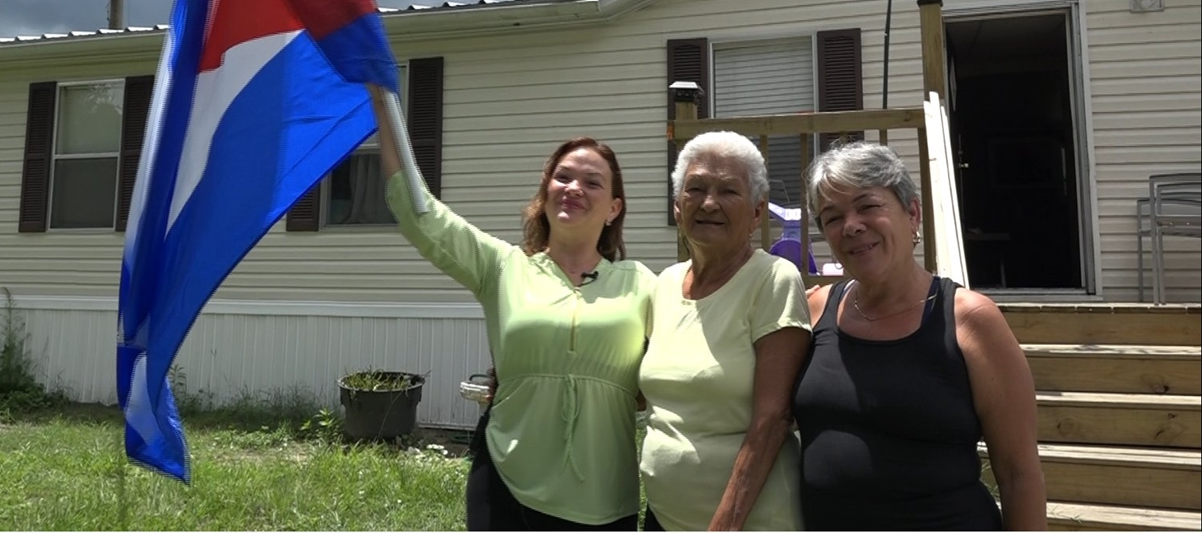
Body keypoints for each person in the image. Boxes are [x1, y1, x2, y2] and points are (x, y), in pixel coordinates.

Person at [366, 86, 654, 531]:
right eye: (562, 177)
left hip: (603, 496)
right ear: (546, 192)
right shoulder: (502, 267)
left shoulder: (645, 284)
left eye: (592, 182)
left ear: (614, 208)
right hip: (505, 481)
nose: (573, 188)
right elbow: (421, 214)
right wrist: (382, 102)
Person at [792, 141, 1047, 530]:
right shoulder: (815, 311)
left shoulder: (969, 320)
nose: (852, 225)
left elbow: (1018, 473)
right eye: (832, 217)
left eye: (868, 206)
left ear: (912, 213)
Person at [639, 131, 812, 531]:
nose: (709, 202)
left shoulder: (772, 280)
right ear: (678, 208)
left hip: (749, 522)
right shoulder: (663, 284)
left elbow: (773, 420)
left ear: (756, 212)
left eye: (729, 190)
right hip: (665, 519)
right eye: (696, 188)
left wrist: (724, 526)